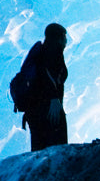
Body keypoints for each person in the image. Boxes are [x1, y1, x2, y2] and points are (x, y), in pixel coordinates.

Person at [19, 22, 69, 150]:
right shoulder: (53, 51)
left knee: (39, 149)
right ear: (59, 37)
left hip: (34, 111)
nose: (66, 40)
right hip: (47, 109)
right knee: (57, 149)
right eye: (64, 36)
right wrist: (54, 98)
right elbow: (45, 73)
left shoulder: (43, 51)